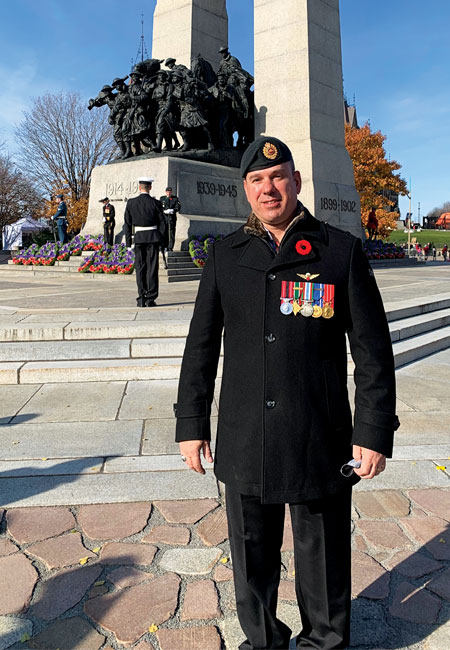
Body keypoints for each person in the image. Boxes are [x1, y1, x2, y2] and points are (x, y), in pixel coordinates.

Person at [174, 137, 399, 650]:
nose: (268, 188)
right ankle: (264, 643)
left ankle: (326, 642)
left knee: (322, 559)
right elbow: (201, 346)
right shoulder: (225, 256)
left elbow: (372, 352)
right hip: (245, 433)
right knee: (251, 559)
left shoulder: (338, 250)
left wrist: (373, 431)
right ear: (246, 190)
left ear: (296, 182)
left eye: (278, 177)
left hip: (316, 432)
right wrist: (191, 423)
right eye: (256, 180)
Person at [124, 177, 166, 307]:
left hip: (138, 238)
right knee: (152, 268)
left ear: (139, 187)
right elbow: (163, 224)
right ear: (150, 188)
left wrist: (128, 243)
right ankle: (150, 298)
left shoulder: (131, 203)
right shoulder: (156, 203)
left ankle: (141, 298)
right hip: (152, 237)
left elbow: (127, 224)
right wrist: (163, 241)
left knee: (140, 267)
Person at [159, 187, 181, 252]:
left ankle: (170, 247)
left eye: (170, 192)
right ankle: (163, 246)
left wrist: (173, 210)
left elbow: (178, 207)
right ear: (165, 192)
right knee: (163, 232)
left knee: (171, 233)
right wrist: (164, 211)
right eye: (167, 192)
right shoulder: (162, 198)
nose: (168, 193)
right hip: (164, 218)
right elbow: (159, 207)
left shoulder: (175, 199)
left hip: (171, 218)